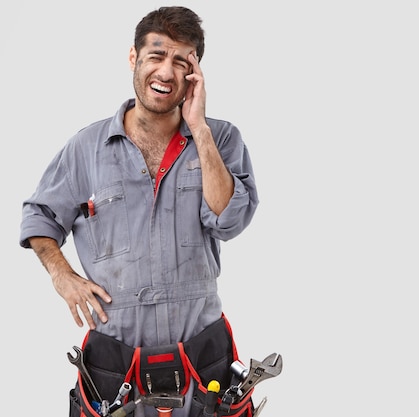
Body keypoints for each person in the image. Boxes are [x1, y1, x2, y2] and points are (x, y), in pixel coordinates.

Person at [19, 6, 259, 417]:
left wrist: (199, 129)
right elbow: (39, 215)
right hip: (115, 366)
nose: (166, 72)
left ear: (194, 74)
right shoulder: (86, 149)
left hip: (203, 362)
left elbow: (229, 220)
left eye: (181, 61)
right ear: (134, 58)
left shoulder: (221, 138)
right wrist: (63, 276)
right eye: (156, 56)